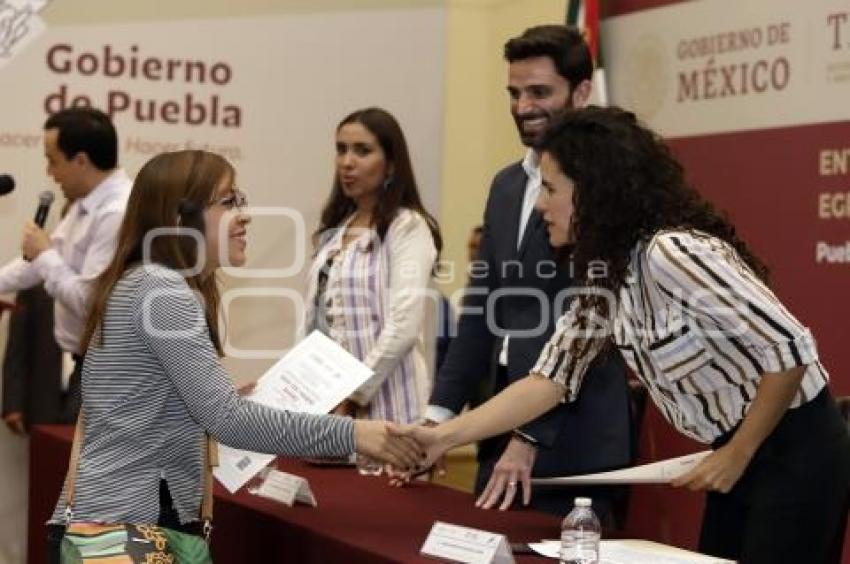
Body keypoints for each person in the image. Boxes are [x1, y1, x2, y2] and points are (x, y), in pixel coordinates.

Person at [410, 106, 850, 564]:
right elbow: (547, 382)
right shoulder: (607, 276)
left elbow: (790, 348)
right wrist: (441, 437)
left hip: (796, 450)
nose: (540, 203)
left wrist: (738, 453)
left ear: (594, 192)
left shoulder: (672, 253)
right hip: (739, 451)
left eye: (550, 188)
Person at [45, 150, 423, 561]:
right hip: (131, 528)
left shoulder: (145, 282)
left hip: (118, 519)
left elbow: (157, 406)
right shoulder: (163, 289)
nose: (245, 215)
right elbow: (228, 421)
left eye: (239, 199)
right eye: (228, 202)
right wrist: (355, 435)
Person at [423, 25, 631, 517]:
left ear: (581, 92)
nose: (522, 107)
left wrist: (529, 435)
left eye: (539, 92)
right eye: (514, 93)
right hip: (500, 425)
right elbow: (480, 311)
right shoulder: (506, 186)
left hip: (574, 440)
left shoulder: (610, 187)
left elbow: (591, 332)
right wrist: (438, 418)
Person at [301, 107, 442, 426]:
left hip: (387, 406)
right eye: (341, 149)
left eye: (362, 151)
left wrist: (354, 394)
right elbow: (315, 322)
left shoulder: (407, 227)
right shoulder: (335, 230)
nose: (347, 162)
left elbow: (404, 325)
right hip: (326, 406)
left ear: (391, 163)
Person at [0, 107, 131, 423]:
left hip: (110, 376)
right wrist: (42, 256)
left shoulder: (116, 212)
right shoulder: (85, 207)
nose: (50, 173)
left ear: (81, 161)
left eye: (53, 160)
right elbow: (35, 266)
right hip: (88, 368)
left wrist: (45, 254)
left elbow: (90, 303)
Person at [1, 285, 63, 434]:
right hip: (44, 399)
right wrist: (13, 404)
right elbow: (17, 348)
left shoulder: (107, 283)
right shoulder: (34, 287)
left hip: (93, 401)